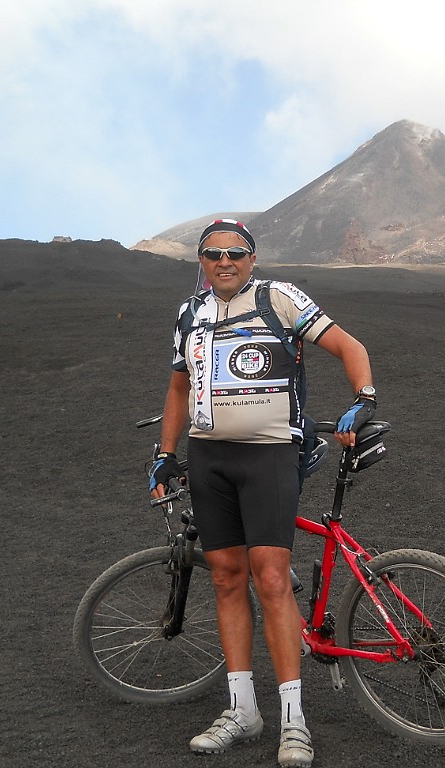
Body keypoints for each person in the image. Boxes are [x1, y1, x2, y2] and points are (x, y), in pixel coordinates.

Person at [150, 219, 376, 767]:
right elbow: (179, 385)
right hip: (210, 460)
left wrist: (363, 399)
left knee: (271, 579)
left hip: (271, 455)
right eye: (213, 253)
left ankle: (294, 722)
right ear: (200, 261)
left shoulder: (279, 298)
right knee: (226, 578)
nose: (224, 261)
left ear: (252, 258)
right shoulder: (189, 313)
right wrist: (165, 452)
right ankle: (242, 709)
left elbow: (349, 345)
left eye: (236, 253)